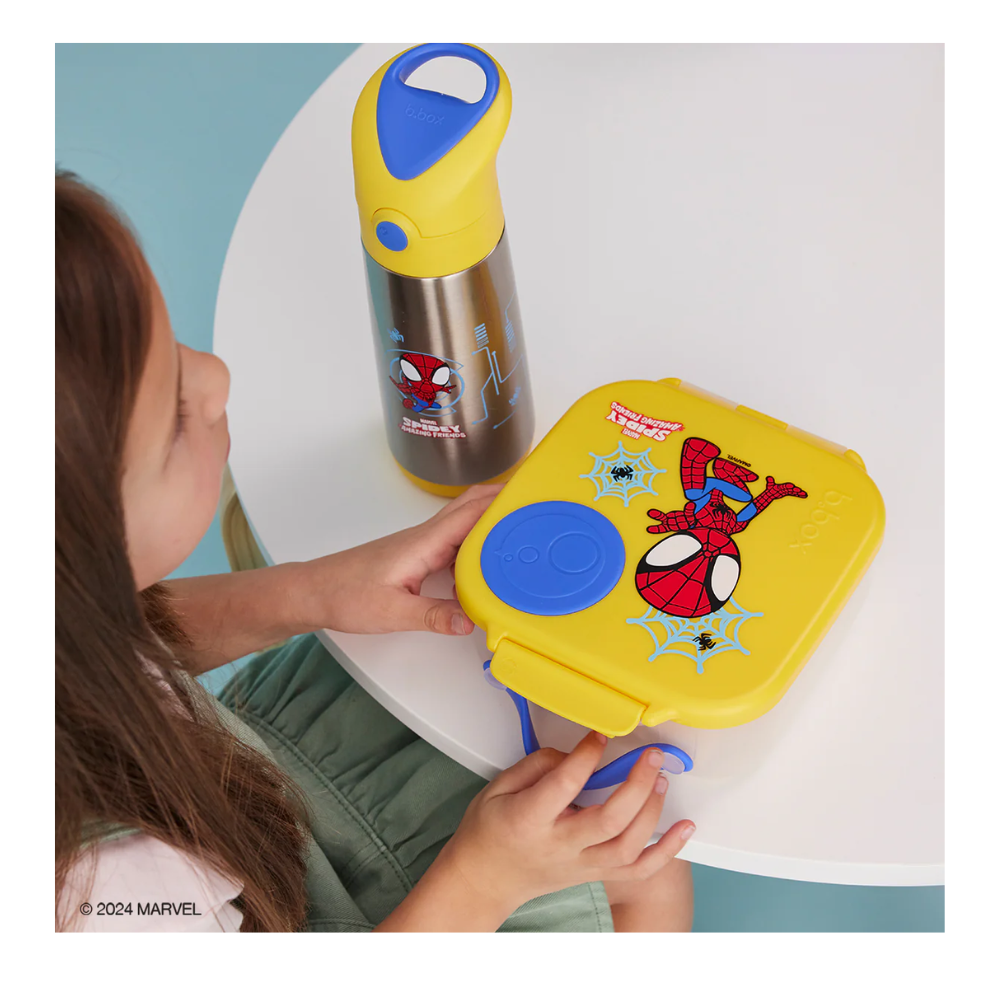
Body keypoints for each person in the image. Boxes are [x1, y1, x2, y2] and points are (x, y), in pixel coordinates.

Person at [55, 171, 696, 933]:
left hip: (249, 781)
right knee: (652, 876)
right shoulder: (109, 897)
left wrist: (309, 592)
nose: (217, 378)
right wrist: (486, 878)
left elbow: (107, 645)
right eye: (173, 420)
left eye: (176, 350)